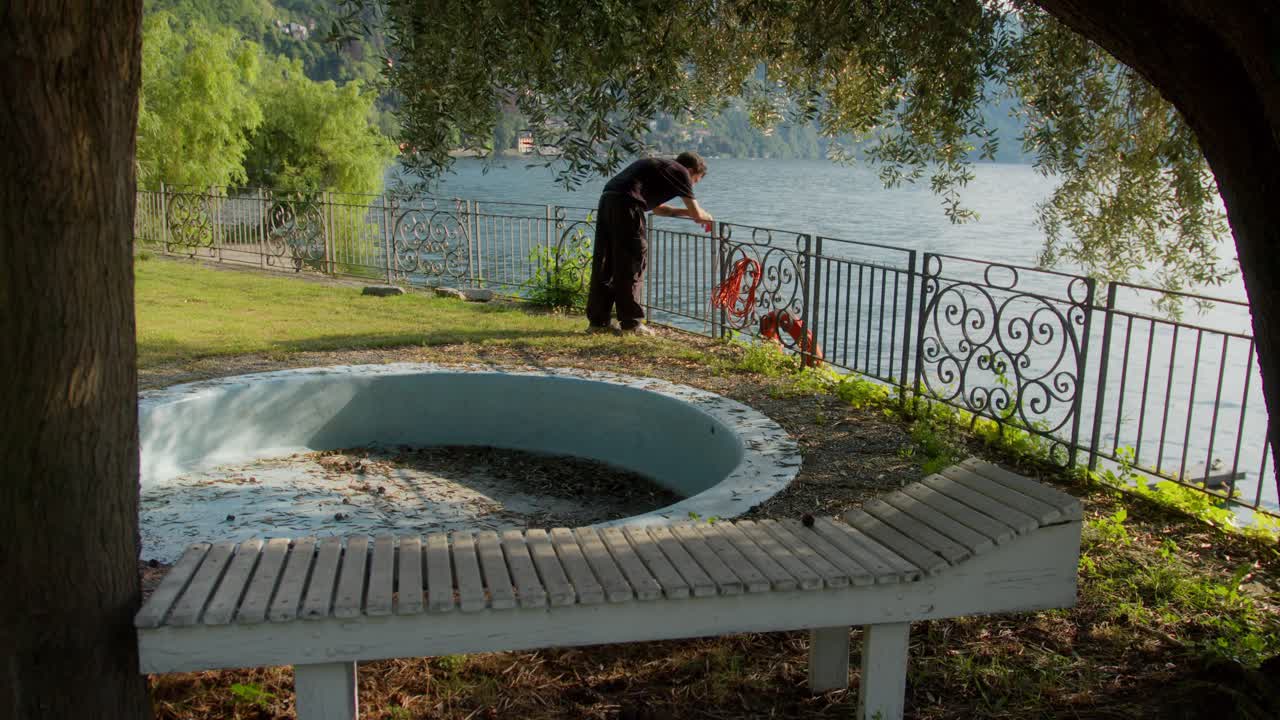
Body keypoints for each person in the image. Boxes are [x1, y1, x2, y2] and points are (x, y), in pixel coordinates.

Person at [586, 151, 713, 335]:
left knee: (606, 262)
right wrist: (707, 217)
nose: (692, 185)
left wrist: (687, 213)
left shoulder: (662, 168)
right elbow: (697, 213)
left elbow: (661, 210)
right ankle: (632, 324)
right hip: (628, 206)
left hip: (609, 201)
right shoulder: (681, 172)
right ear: (692, 170)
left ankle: (598, 322)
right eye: (696, 180)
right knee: (632, 262)